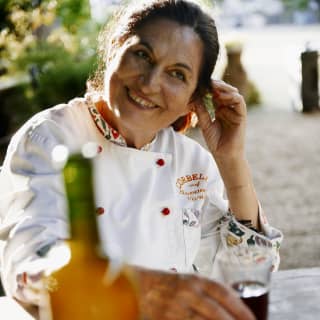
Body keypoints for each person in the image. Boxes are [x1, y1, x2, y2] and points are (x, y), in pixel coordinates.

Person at [0, 0, 282, 319]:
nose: (149, 83)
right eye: (142, 55)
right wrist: (140, 289)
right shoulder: (51, 138)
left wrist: (231, 161)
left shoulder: (191, 160)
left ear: (193, 99)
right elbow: (27, 269)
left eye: (177, 74)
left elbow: (252, 267)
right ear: (113, 50)